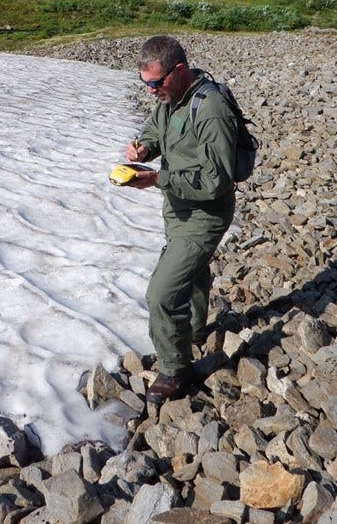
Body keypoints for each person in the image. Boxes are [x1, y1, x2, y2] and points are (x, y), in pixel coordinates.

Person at [124, 35, 238, 404]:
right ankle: (192, 330)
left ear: (178, 70)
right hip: (177, 209)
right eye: (145, 85)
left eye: (155, 83)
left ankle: (175, 370)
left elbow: (216, 181)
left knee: (160, 294)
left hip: (205, 214)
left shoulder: (211, 110)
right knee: (193, 270)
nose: (151, 91)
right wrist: (141, 147)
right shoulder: (171, 99)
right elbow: (155, 131)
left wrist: (159, 178)